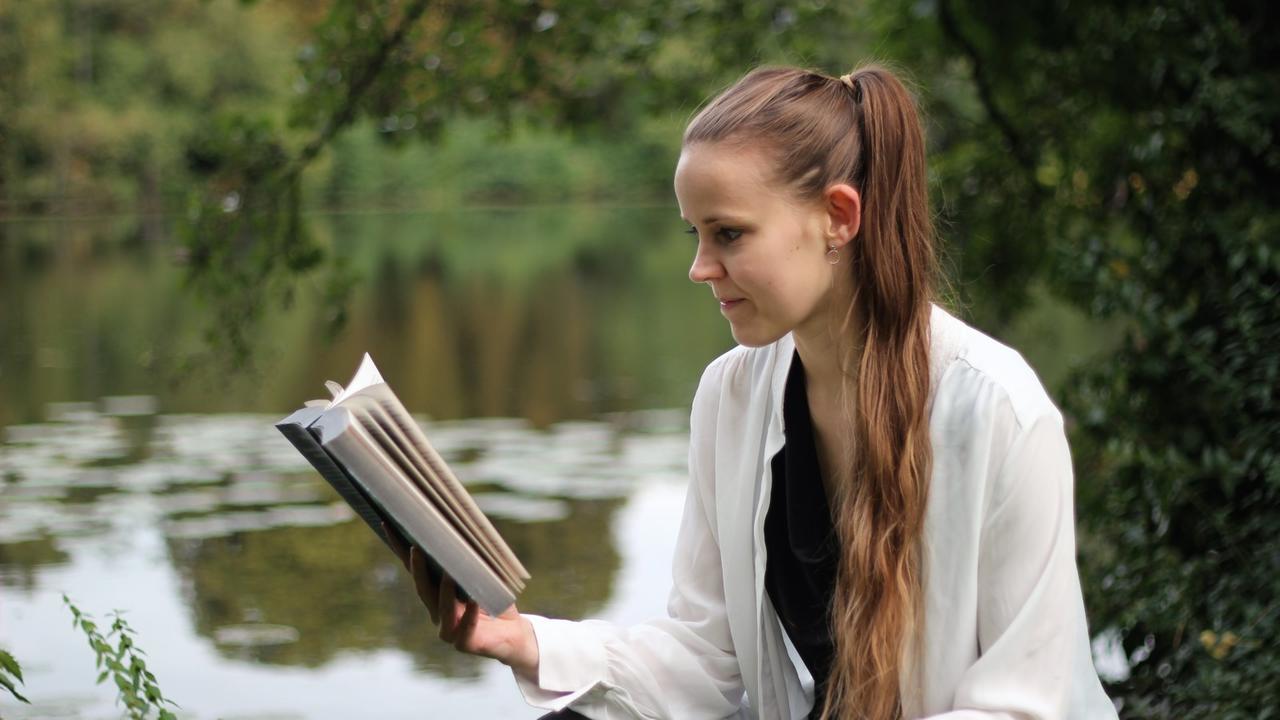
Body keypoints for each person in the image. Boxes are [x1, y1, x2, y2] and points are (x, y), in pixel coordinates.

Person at [384, 64, 1119, 719]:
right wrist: (518, 638)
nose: (701, 268)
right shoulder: (731, 396)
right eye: (694, 235)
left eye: (729, 234)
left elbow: (1026, 708)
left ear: (838, 218)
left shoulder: (998, 411)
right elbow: (707, 663)